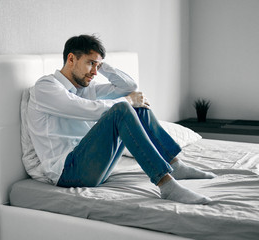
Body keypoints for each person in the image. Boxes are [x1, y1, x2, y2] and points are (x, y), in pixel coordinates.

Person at [27, 34, 216, 204]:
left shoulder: (86, 88)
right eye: (90, 63)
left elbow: (129, 86)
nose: (94, 72)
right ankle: (165, 184)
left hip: (95, 166)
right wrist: (126, 101)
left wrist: (101, 64)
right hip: (67, 172)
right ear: (71, 59)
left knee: (138, 107)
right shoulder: (46, 87)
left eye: (97, 66)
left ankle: (174, 164)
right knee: (123, 108)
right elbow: (84, 109)